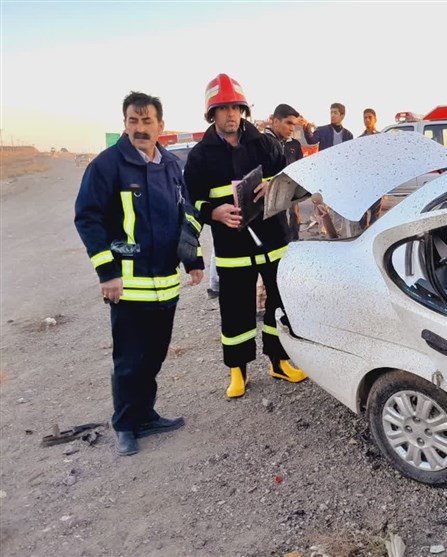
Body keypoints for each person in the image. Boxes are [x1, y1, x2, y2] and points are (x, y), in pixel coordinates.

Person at [74, 91, 204, 456]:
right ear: (125, 123)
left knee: (155, 356)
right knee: (129, 361)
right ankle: (126, 424)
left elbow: (185, 215)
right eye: (133, 121)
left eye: (147, 122)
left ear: (161, 125)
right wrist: (107, 273)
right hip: (127, 286)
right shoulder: (107, 165)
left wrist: (191, 260)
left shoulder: (170, 166)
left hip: (164, 285)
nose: (140, 128)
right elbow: (88, 217)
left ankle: (145, 414)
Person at [184, 74, 307, 399]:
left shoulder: (265, 144)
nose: (230, 115)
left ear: (243, 110)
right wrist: (213, 212)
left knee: (280, 305)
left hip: (273, 242)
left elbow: (295, 181)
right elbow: (190, 200)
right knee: (235, 310)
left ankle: (278, 361)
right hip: (232, 247)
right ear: (212, 114)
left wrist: (275, 185)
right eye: (222, 109)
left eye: (235, 108)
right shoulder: (200, 156)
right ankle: (237, 372)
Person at [264, 103, 304, 241]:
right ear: (275, 121)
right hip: (268, 202)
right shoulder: (264, 143)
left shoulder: (289, 144)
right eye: (288, 123)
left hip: (287, 193)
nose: (292, 128)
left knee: (293, 220)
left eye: (294, 124)